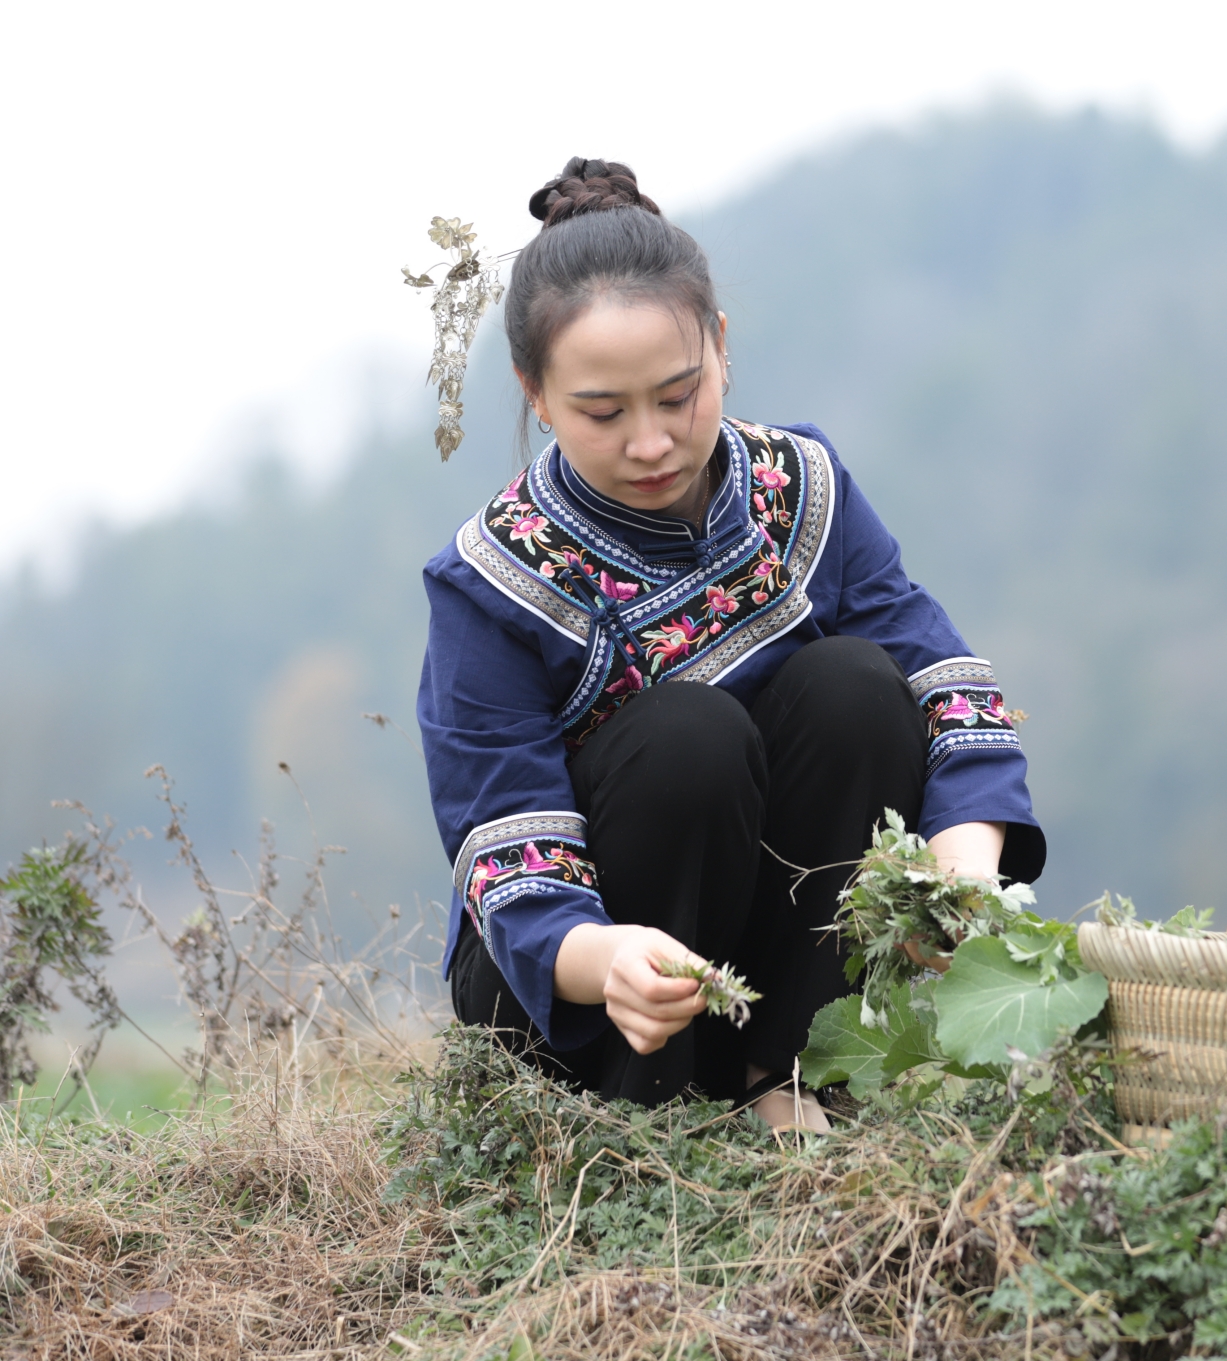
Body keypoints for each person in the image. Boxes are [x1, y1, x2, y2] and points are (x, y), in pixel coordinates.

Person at [417, 157, 1044, 1133]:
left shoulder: (802, 487)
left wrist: (961, 880)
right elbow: (506, 849)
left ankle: (782, 1074)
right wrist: (607, 957)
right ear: (534, 394)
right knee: (688, 736)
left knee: (856, 687)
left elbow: (943, 688)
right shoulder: (490, 581)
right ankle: (643, 1118)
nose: (653, 442)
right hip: (580, 987)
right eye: (602, 412)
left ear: (719, 347)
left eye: (677, 395)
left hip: (764, 966)